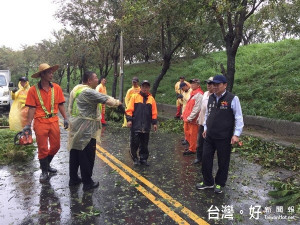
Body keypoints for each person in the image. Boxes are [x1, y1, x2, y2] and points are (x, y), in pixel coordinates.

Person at [68, 71, 124, 191]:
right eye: (96, 78)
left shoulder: (75, 89)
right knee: (87, 155)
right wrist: (118, 103)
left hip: (75, 126)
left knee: (75, 153)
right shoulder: (88, 91)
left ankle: (73, 179)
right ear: (89, 80)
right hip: (86, 129)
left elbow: (70, 107)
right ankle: (87, 182)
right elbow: (106, 99)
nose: (98, 79)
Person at [196, 75, 244, 194]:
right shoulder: (211, 97)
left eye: (218, 84)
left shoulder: (232, 98)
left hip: (224, 137)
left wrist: (236, 134)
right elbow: (208, 114)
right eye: (214, 84)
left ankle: (219, 183)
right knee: (206, 158)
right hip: (209, 136)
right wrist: (206, 127)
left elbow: (238, 117)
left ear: (225, 85)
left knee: (223, 161)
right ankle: (208, 182)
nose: (215, 86)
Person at [23, 63, 68, 183]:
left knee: (56, 146)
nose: (51, 74)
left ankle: (46, 164)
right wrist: (27, 125)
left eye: (52, 72)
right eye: (49, 72)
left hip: (54, 121)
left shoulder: (57, 88)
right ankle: (44, 172)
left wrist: (65, 118)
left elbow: (61, 104)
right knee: (42, 148)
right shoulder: (33, 90)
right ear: (42, 74)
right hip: (40, 122)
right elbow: (31, 108)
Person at [125, 80, 158, 166]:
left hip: (146, 126)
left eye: (146, 87)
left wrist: (154, 123)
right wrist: (129, 120)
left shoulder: (151, 99)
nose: (145, 88)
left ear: (149, 88)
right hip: (136, 125)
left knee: (144, 144)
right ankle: (135, 158)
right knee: (134, 143)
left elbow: (154, 112)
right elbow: (129, 110)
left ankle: (143, 159)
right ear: (141, 87)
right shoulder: (135, 97)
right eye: (143, 86)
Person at [194, 77, 214, 164]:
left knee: (208, 142)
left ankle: (206, 158)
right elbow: (202, 108)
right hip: (202, 122)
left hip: (210, 124)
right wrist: (198, 118)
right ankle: (199, 157)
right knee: (200, 141)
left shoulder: (215, 96)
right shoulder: (205, 94)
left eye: (210, 84)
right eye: (207, 83)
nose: (208, 86)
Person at [182, 79, 203, 155]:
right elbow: (188, 106)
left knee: (193, 134)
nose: (192, 84)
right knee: (187, 133)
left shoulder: (199, 94)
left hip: (192, 120)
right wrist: (184, 114)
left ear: (198, 85)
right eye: (191, 83)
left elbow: (197, 108)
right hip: (187, 118)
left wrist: (190, 118)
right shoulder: (192, 93)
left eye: (194, 83)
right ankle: (191, 146)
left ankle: (192, 149)